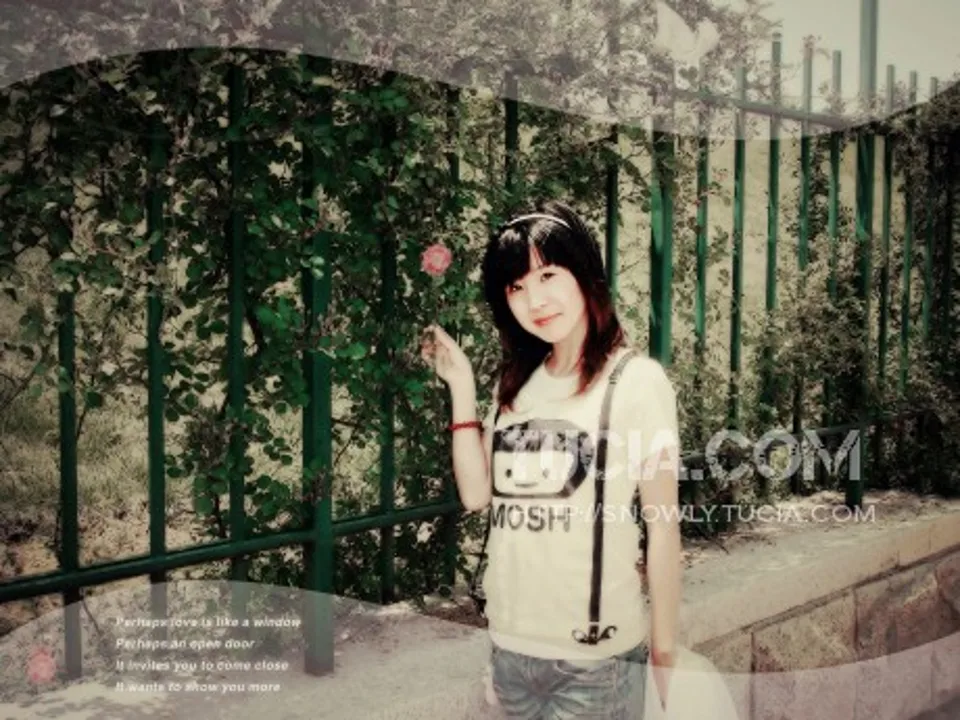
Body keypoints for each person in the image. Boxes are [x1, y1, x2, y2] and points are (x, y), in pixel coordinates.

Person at [420, 199, 682, 719]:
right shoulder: (518, 384)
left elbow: (664, 527)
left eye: (547, 275)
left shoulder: (637, 382)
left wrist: (664, 650)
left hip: (597, 662)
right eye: (516, 287)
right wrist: (461, 386)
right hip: (510, 651)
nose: (534, 300)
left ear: (584, 274)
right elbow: (476, 495)